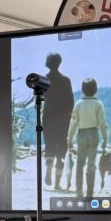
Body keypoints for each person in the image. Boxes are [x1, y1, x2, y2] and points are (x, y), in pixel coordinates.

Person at [66, 78, 109, 200]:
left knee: (80, 163)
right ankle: (89, 194)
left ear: (82, 90)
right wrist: (105, 139)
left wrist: (69, 139)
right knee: (91, 164)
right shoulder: (98, 104)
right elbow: (103, 124)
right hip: (94, 134)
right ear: (96, 90)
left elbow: (73, 123)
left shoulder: (78, 104)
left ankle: (79, 192)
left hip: (81, 134)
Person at [41, 53, 74, 190]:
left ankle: (49, 164)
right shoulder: (66, 80)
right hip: (63, 118)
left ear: (47, 63)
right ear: (59, 63)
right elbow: (71, 101)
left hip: (48, 116)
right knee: (61, 149)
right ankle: (57, 184)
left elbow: (41, 96)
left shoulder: (43, 79)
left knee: (49, 144)